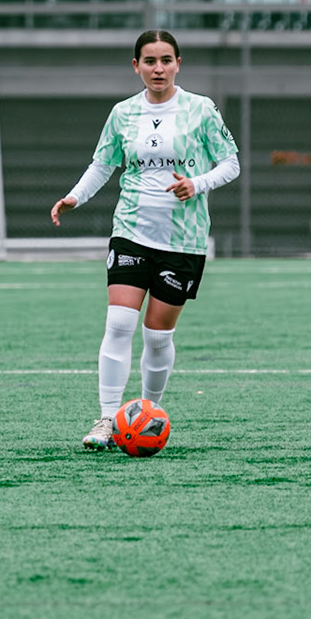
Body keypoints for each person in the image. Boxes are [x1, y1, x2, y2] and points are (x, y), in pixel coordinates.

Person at [51, 30, 240, 450]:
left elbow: (231, 163)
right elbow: (103, 164)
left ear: (178, 64)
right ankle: (106, 419)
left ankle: (146, 416)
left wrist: (199, 183)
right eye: (150, 61)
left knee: (157, 336)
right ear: (135, 66)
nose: (158, 69)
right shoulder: (122, 114)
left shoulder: (201, 110)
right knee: (119, 323)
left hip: (183, 240)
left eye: (166, 60)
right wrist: (75, 196)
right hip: (131, 231)